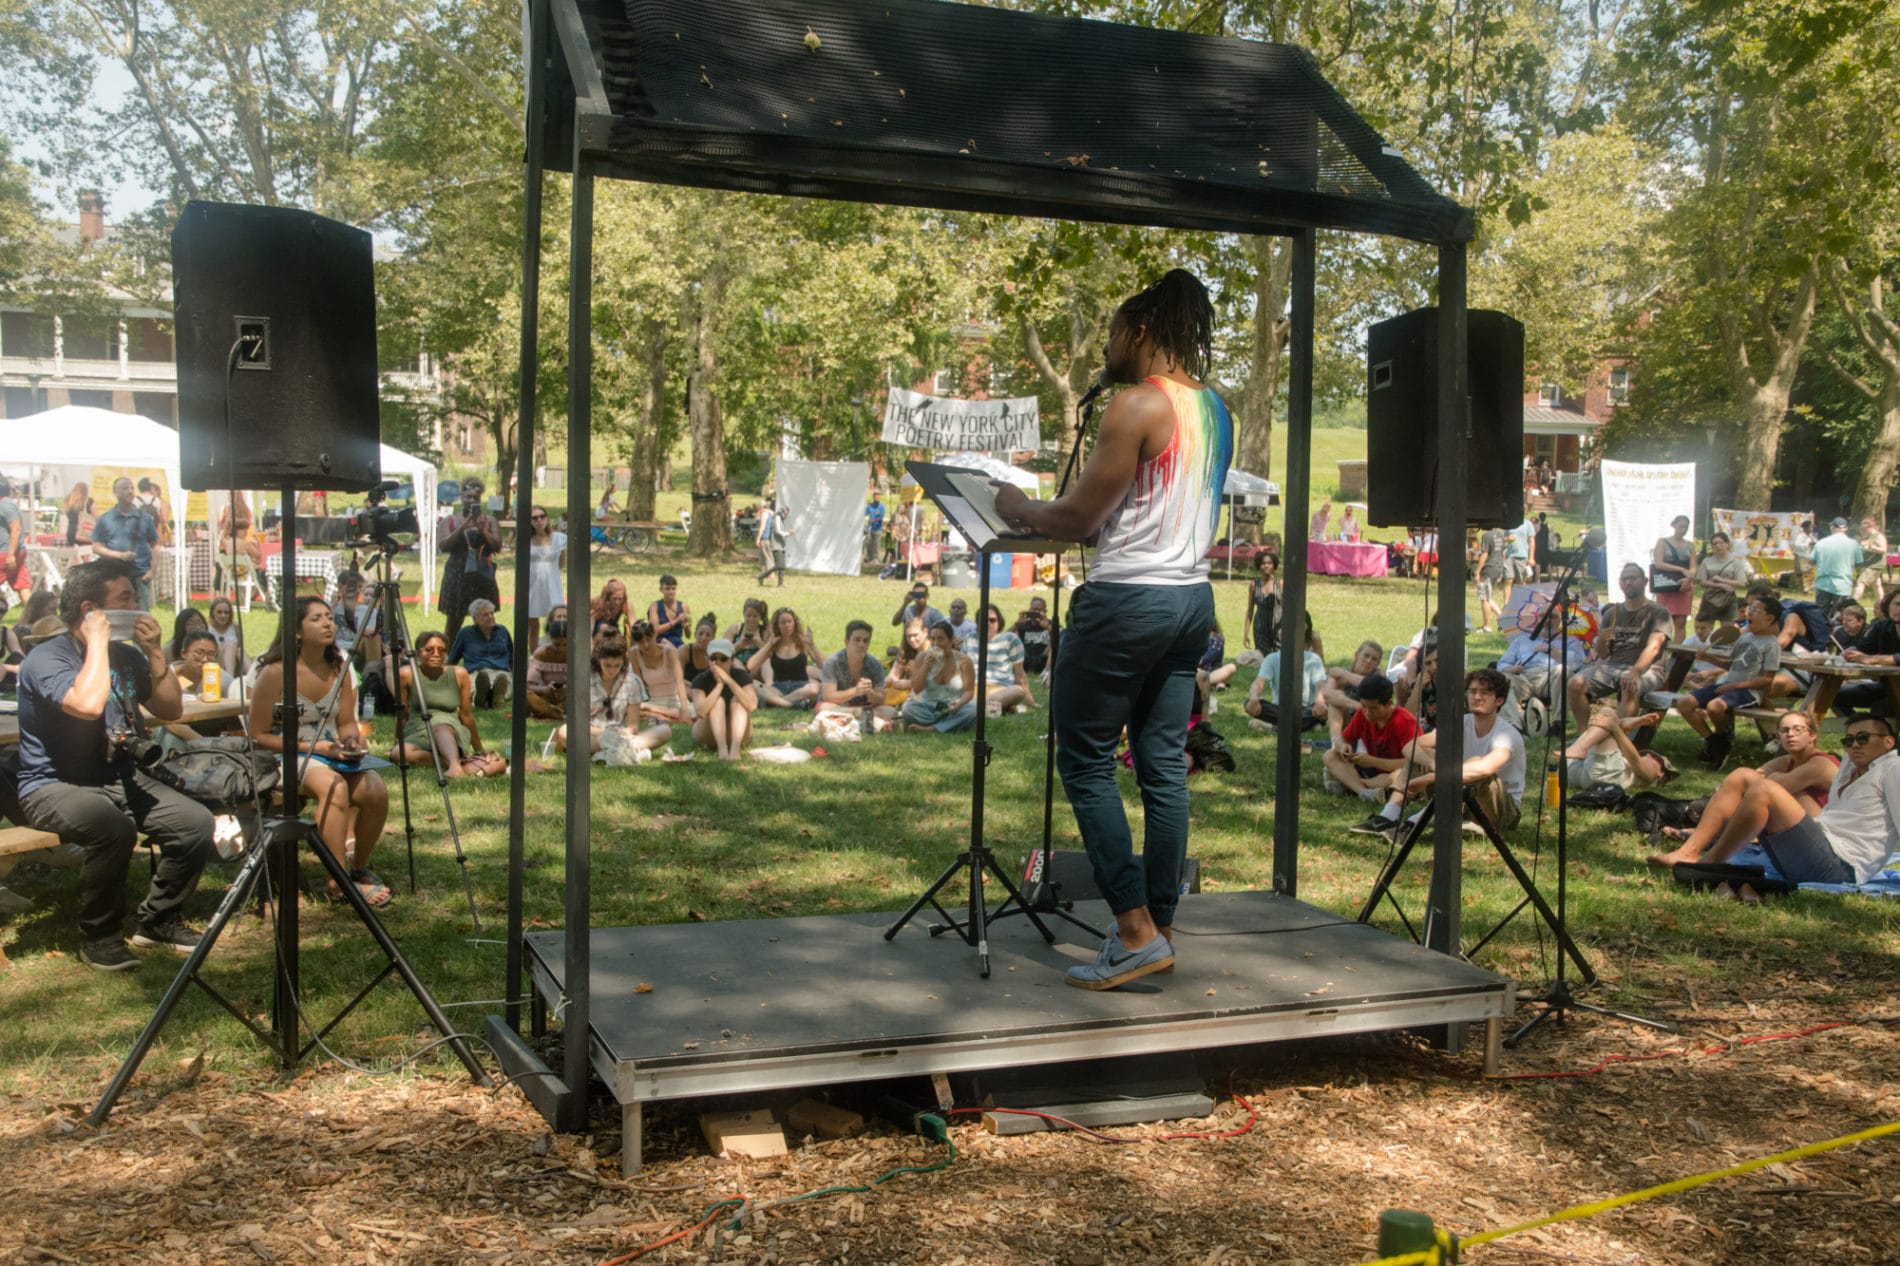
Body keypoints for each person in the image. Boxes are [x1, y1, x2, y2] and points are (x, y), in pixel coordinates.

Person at [991, 269, 1232, 990]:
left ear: (1142, 331)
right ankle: (1157, 924)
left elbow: (1077, 520)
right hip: (1192, 601)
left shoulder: (1135, 406)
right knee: (1162, 764)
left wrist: (1015, 502)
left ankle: (1131, 931)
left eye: (1114, 333)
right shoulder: (1216, 409)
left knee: (1086, 758)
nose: (1109, 346)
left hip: (1128, 601)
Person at [15, 559, 213, 970]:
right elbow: (87, 705)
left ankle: (157, 920)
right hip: (53, 785)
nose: (137, 604)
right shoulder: (46, 659)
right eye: (125, 598)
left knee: (194, 823)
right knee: (113, 829)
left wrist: (156, 654)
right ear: (91, 611)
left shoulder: (126, 655)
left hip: (120, 775)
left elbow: (171, 708)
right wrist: (97, 645)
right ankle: (100, 936)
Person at [1649, 713, 1900, 892]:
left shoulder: (1892, 768)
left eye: (1864, 738)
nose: (1855, 745)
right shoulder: (1851, 764)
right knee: (1743, 776)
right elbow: (1762, 772)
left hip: (1841, 867)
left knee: (1765, 790)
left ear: (1888, 742)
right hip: (1819, 845)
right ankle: (1690, 852)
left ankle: (1710, 862)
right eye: (1849, 740)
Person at [249, 596, 392, 907]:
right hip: (284, 755)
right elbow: (257, 735)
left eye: (329, 616)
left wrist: (351, 742)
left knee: (375, 790)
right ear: (296, 631)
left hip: (331, 752)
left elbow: (346, 722)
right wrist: (313, 748)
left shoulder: (339, 667)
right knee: (333, 786)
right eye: (316, 618)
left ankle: (358, 868)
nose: (328, 623)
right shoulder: (274, 673)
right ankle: (337, 880)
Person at [1646, 711, 1839, 867]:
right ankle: (1693, 848)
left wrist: (1767, 778)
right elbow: (1755, 777)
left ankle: (1697, 848)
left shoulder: (1820, 764)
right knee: (1743, 777)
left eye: (1798, 729)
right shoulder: (1787, 761)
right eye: (1784, 730)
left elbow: (1769, 787)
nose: (1790, 734)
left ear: (1812, 735)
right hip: (1800, 832)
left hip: (1823, 842)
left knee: (1753, 781)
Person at [1353, 669, 1525, 838]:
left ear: (1500, 700)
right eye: (1472, 691)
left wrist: (1431, 777)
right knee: (1425, 753)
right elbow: (1411, 746)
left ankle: (1413, 823)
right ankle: (1388, 816)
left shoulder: (1507, 734)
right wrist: (1432, 763)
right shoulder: (1461, 723)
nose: (1477, 697)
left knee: (1474, 763)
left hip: (1501, 811)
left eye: (1485, 692)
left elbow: (1485, 768)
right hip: (1463, 800)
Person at [1674, 594, 1783, 767]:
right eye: (1749, 609)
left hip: (1749, 691)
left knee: (1714, 707)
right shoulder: (1744, 637)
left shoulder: (1772, 645)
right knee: (1684, 703)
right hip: (1728, 686)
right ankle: (1716, 742)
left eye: (1755, 610)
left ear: (1769, 618)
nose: (1749, 613)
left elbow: (1767, 679)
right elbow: (1731, 664)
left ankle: (1720, 740)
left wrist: (1736, 685)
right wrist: (1709, 658)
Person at [1566, 563, 1674, 721]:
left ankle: (1622, 740)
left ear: (1645, 581)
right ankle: (1584, 738)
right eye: (1625, 579)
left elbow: (1654, 647)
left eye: (1633, 578)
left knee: (1628, 684)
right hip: (1613, 667)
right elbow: (1603, 654)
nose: (1628, 582)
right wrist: (1602, 639)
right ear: (1620, 584)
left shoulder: (1659, 612)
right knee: (1575, 683)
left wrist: (1636, 672)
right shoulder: (1612, 613)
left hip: (1648, 670)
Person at [396, 630, 504, 778]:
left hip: (449, 729)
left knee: (440, 728)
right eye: (429, 650)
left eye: (441, 650)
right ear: (418, 652)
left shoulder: (459, 673)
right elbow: (402, 712)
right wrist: (397, 741)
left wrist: (479, 749)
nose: (436, 654)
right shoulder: (407, 674)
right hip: (419, 730)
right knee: (398, 754)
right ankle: (460, 763)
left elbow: (466, 715)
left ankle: (454, 766)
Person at [557, 632, 671, 758]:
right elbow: (578, 723)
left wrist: (621, 733)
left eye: (617, 665)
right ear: (598, 660)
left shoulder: (632, 682)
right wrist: (606, 734)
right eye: (607, 665)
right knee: (564, 731)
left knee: (664, 731)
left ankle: (609, 752)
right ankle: (623, 751)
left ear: (623, 661)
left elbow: (633, 727)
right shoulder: (585, 680)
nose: (612, 670)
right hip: (592, 735)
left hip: (621, 736)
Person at [1321, 671, 1419, 803]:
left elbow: (1411, 763)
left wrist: (1372, 761)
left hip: (1399, 771)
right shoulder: (1362, 714)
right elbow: (1343, 739)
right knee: (1329, 756)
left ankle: (1353, 784)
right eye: (1364, 706)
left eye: (1373, 708)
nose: (1367, 712)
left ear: (1389, 703)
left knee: (1395, 777)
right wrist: (1343, 747)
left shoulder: (1405, 722)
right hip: (1372, 770)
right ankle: (1365, 792)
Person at [436, 477, 501, 640]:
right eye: (468, 497)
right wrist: (462, 527)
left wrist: (483, 530)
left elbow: (497, 547)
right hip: (458, 574)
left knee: (485, 621)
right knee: (453, 623)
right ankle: (450, 659)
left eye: (475, 498)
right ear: (462, 498)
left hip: (482, 575)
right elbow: (443, 546)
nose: (471, 501)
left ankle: (482, 657)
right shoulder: (450, 520)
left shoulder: (490, 521)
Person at [87, 476, 160, 609]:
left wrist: (152, 571)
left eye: (132, 488)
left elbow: (155, 546)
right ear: (115, 493)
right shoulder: (105, 519)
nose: (130, 491)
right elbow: (96, 547)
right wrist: (120, 555)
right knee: (115, 613)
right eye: (125, 488)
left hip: (140, 576)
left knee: (142, 615)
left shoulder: (144, 518)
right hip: (114, 575)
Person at [1561, 706, 1672, 791]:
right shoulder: (1627, 763)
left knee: (1607, 713)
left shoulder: (1652, 775)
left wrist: (1616, 728)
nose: (1648, 755)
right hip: (1578, 769)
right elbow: (1611, 727)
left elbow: (1636, 761)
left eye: (1655, 758)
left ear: (1660, 772)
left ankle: (1580, 747)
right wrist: (1631, 723)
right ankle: (1580, 748)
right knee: (1606, 721)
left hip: (1603, 777)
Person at [1247, 619, 1327, 731]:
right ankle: (1304, 725)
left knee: (1320, 712)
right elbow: (1259, 683)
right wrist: (1254, 698)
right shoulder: (1272, 659)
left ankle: (1275, 726)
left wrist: (1320, 701)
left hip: (1308, 709)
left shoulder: (1313, 659)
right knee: (1249, 703)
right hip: (1280, 709)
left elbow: (1321, 685)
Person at [901, 618, 977, 733]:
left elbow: (969, 692)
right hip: (928, 705)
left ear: (951, 640)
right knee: (907, 708)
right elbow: (916, 689)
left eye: (941, 639)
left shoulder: (964, 661)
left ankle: (931, 728)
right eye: (933, 639)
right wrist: (926, 667)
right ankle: (949, 726)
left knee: (973, 710)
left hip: (953, 706)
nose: (936, 643)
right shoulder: (922, 657)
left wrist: (958, 704)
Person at [690, 637, 758, 760]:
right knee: (717, 702)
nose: (717, 663)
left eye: (723, 659)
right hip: (708, 732)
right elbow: (700, 711)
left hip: (738, 733)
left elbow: (752, 705)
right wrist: (719, 685)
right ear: (708, 659)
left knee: (738, 701)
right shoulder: (700, 680)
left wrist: (728, 681)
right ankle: (722, 749)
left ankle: (734, 750)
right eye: (713, 658)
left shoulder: (742, 676)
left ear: (732, 660)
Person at [819, 619, 895, 726]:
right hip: (838, 706)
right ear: (846, 642)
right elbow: (828, 696)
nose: (861, 644)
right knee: (824, 708)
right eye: (857, 640)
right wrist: (856, 691)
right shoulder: (833, 662)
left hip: (862, 707)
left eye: (865, 641)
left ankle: (851, 718)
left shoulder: (875, 664)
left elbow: (881, 700)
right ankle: (862, 717)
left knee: (889, 711)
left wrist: (870, 692)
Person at [749, 606, 821, 708]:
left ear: (794, 623)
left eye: (789, 621)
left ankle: (776, 702)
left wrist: (812, 645)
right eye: (783, 623)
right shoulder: (773, 646)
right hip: (778, 688)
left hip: (801, 687)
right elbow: (750, 665)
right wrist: (768, 644)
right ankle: (792, 704)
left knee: (814, 688)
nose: (787, 625)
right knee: (753, 684)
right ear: (777, 626)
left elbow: (825, 665)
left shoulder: (803, 643)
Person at [448, 598, 514, 708]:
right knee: (476, 682)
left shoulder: (502, 631)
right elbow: (452, 659)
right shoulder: (466, 633)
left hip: (501, 671)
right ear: (475, 619)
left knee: (504, 681)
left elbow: (513, 657)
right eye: (485, 615)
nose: (490, 617)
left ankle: (491, 698)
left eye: (491, 613)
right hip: (477, 672)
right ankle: (486, 698)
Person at [630, 618, 691, 727]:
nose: (645, 645)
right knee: (632, 710)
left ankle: (657, 714)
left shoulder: (668, 651)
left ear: (655, 635)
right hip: (653, 700)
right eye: (641, 642)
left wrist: (685, 708)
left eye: (648, 639)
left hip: (673, 700)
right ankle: (661, 715)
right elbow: (638, 684)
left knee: (688, 712)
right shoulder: (634, 653)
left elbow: (679, 681)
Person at [1692, 531, 1751, 639]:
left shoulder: (1735, 563)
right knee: (1705, 628)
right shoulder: (1707, 561)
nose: (1718, 546)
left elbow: (1742, 583)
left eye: (1721, 543)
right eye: (1715, 543)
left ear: (1727, 543)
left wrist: (1722, 580)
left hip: (1728, 599)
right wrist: (1720, 586)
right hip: (1710, 598)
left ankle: (1724, 652)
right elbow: (1702, 582)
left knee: (1727, 630)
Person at [978, 604, 1036, 714]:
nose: (988, 623)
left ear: (999, 621)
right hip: (976, 689)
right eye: (984, 620)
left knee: (1018, 691)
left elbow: (1019, 673)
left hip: (1001, 690)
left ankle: (982, 710)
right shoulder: (970, 638)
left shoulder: (1010, 639)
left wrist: (1029, 699)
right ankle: (995, 710)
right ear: (977, 623)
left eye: (992, 620)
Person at [524, 505, 566, 652]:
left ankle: (556, 652)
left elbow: (562, 562)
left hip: (552, 583)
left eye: (542, 516)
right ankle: (535, 655)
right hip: (532, 584)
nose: (539, 520)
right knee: (533, 623)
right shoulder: (526, 539)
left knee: (555, 620)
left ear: (547, 518)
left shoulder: (559, 538)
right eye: (535, 518)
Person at [1650, 515, 1694, 625]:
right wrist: (1681, 569)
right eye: (1681, 527)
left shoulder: (1690, 545)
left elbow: (1693, 567)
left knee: (1681, 621)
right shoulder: (1662, 542)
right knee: (1663, 620)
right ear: (1674, 525)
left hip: (1683, 585)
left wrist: (1689, 579)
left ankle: (1679, 643)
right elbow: (1659, 564)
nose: (1683, 530)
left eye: (1686, 527)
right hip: (1665, 583)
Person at [1811, 516, 1859, 616]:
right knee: (1839, 614)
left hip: (1823, 582)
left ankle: (1821, 631)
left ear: (1832, 527)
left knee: (1820, 614)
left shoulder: (1821, 543)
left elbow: (1811, 561)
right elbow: (1858, 562)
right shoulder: (1854, 544)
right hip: (1843, 583)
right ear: (1846, 529)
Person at [524, 617, 570, 721]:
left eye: (566, 645)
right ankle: (555, 713)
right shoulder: (541, 654)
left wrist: (567, 690)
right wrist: (545, 690)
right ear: (550, 639)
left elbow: (584, 684)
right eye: (557, 645)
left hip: (568, 698)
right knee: (525, 694)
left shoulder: (576, 653)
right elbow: (529, 685)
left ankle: (551, 713)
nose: (561, 649)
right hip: (545, 696)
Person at [885, 615, 929, 713]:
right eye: (908, 636)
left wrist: (910, 683)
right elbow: (894, 672)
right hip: (905, 691)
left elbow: (934, 682)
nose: (912, 640)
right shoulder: (906, 649)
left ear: (925, 632)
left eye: (915, 635)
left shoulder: (932, 651)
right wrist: (891, 679)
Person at [1243, 549, 1280, 654]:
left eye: (1269, 563)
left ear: (1274, 565)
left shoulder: (1280, 584)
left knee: (1278, 657)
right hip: (1260, 627)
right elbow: (1250, 609)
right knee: (1263, 657)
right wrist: (1246, 633)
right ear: (1259, 565)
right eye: (1263, 563)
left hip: (1276, 627)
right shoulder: (1254, 585)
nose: (1266, 566)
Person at [205, 595, 251, 680]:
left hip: (232, 659)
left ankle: (253, 678)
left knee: (238, 650)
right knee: (230, 644)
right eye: (219, 612)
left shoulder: (235, 626)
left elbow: (240, 646)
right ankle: (230, 679)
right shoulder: (207, 627)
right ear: (212, 613)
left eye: (226, 612)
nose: (223, 615)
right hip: (214, 659)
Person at [1012, 596, 1056, 681]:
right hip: (1025, 658)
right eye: (1033, 610)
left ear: (1045, 612)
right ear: (1029, 610)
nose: (1036, 612)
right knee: (1014, 637)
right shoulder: (1023, 624)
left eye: (1039, 610)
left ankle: (1046, 673)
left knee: (1054, 643)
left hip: (1044, 658)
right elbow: (1006, 638)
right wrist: (1017, 624)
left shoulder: (1051, 624)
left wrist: (1048, 628)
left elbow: (1060, 639)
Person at [1475, 525, 1507, 633]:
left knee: (1484, 598)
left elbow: (1484, 554)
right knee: (1488, 597)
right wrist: (1501, 571)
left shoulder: (1486, 535)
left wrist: (1478, 571)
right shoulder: (1501, 534)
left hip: (1488, 568)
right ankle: (1503, 619)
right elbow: (1503, 554)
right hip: (1497, 568)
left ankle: (1487, 626)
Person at [0, 475, 26, 599]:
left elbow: (16, 529)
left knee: (23, 587)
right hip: (14, 552)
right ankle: (39, 617)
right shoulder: (7, 504)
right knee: (23, 587)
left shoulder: (5, 505)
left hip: (6, 553)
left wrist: (10, 554)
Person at [647, 574, 690, 648]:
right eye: (667, 589)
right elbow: (655, 631)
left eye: (673, 588)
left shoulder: (684, 607)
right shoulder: (655, 606)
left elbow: (688, 636)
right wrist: (676, 621)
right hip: (660, 642)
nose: (671, 591)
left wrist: (686, 628)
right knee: (668, 646)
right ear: (661, 589)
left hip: (677, 643)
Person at [1854, 515, 1889, 604]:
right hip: (1868, 564)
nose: (1862, 530)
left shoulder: (1878, 536)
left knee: (1861, 582)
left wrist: (1871, 547)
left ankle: (1852, 603)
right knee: (1876, 585)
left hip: (1875, 565)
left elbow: (1883, 550)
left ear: (1869, 527)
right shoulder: (1867, 537)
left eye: (1864, 529)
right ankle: (1882, 603)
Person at [756, 501, 791, 586]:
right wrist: (788, 533)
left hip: (781, 543)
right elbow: (777, 531)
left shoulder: (776, 517)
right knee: (778, 565)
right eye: (786, 513)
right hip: (776, 544)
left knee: (782, 565)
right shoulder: (776, 517)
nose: (786, 516)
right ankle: (761, 576)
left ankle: (780, 584)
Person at [727, 597, 769, 663]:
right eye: (748, 616)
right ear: (744, 614)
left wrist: (759, 644)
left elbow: (772, 655)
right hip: (735, 667)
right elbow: (723, 653)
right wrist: (739, 644)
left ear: (760, 616)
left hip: (757, 667)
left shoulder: (764, 632)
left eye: (755, 616)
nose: (751, 619)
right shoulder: (734, 629)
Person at [590, 578, 631, 643]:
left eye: (620, 599)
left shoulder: (625, 604)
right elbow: (590, 627)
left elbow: (632, 624)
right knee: (604, 628)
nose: (617, 602)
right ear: (608, 598)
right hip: (597, 627)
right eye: (614, 599)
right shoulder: (600, 605)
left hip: (613, 625)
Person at [61, 481, 92, 548]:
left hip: (71, 533)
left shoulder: (67, 500)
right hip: (82, 534)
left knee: (75, 555)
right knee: (85, 554)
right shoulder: (88, 501)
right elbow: (98, 517)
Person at [865, 491, 886, 565]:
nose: (878, 498)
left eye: (879, 497)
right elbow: (864, 513)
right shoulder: (869, 506)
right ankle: (869, 558)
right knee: (869, 544)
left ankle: (876, 558)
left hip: (878, 528)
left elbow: (881, 517)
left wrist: (873, 520)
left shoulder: (881, 507)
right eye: (877, 497)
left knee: (876, 544)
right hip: (870, 528)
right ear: (873, 497)